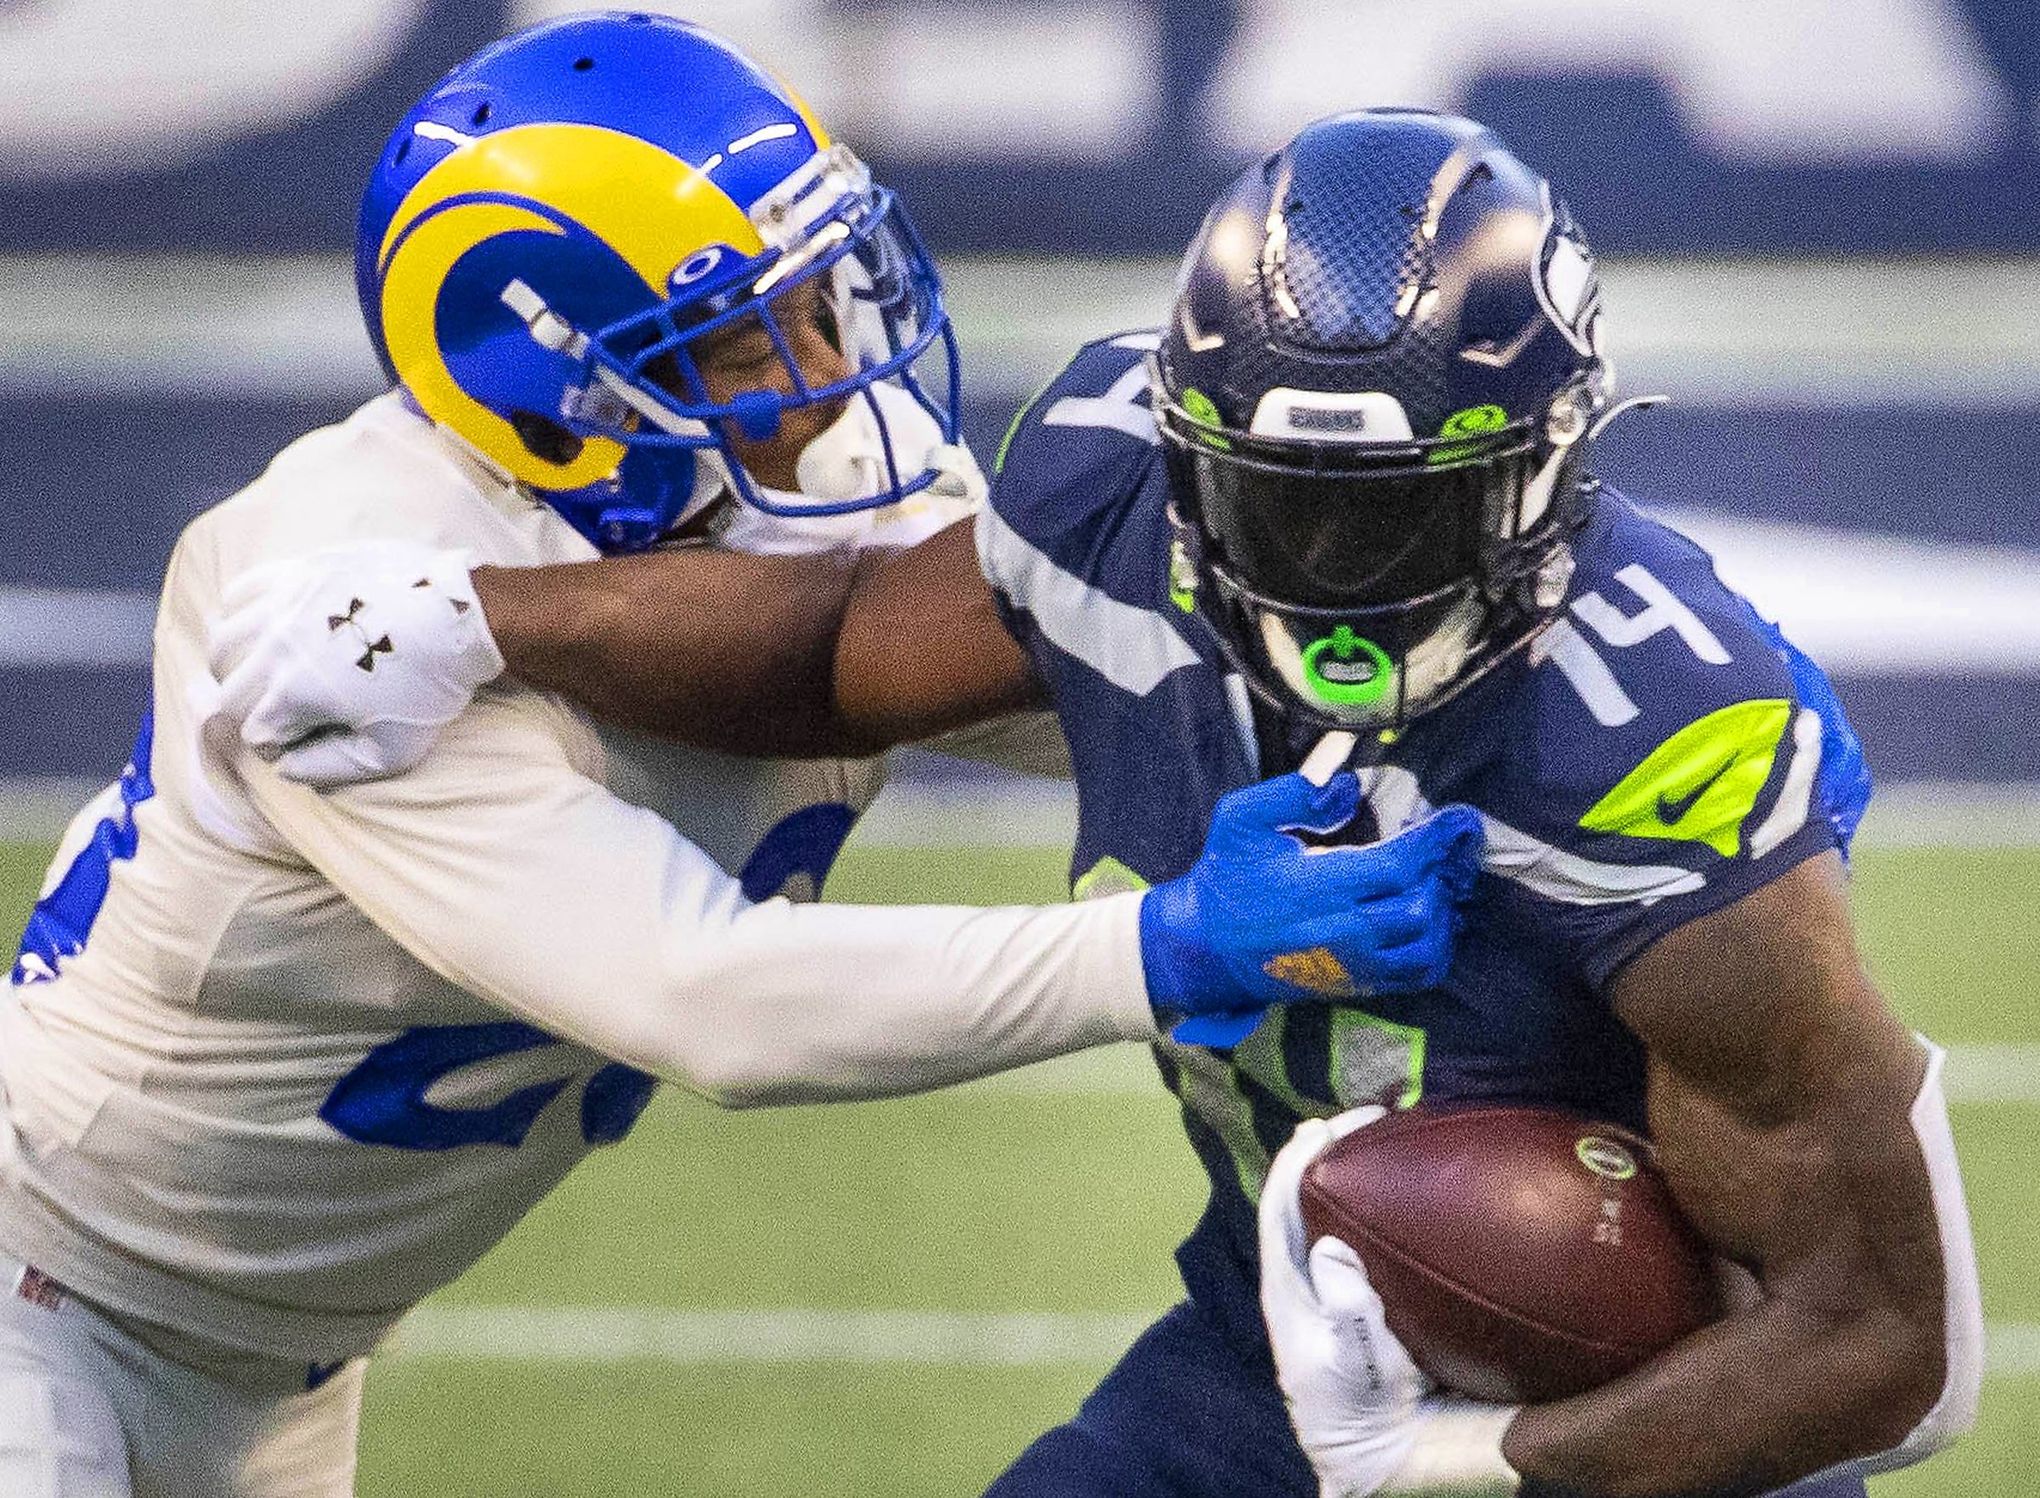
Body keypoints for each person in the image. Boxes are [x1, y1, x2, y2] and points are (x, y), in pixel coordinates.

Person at [209, 112, 1981, 1497]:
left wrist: (1450, 1464)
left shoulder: (1656, 747)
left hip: (1626, 1413)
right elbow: (838, 637)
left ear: (1552, 464)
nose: (1335, 574)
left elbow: (1886, 1340)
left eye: (1399, 511)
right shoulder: (1111, 501)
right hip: (1265, 1345)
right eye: (1282, 503)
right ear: (1187, 448)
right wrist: (479, 619)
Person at [0, 24, 1484, 1497]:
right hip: (49, 1306)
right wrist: (1163, 944)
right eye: (741, 338)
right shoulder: (343, 626)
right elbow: (713, 997)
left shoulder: (816, 477)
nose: (830, 373)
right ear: (560, 389)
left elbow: (1104, 692)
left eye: (816, 300)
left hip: (286, 1361)